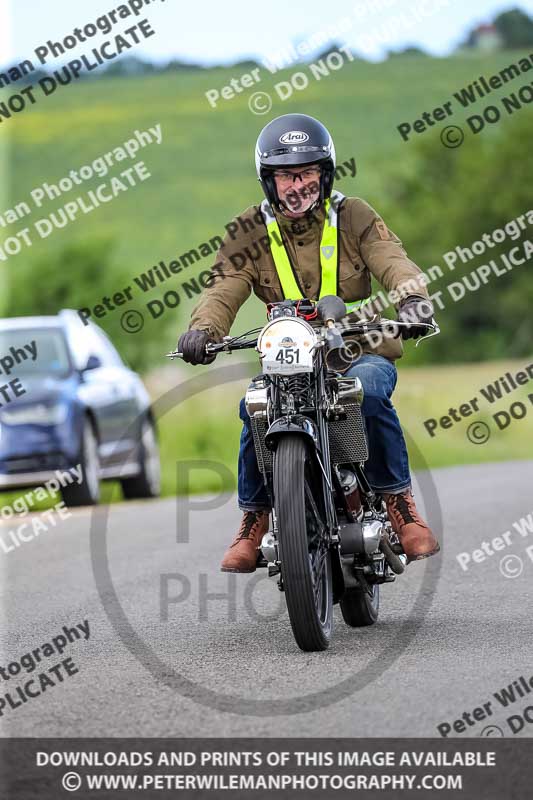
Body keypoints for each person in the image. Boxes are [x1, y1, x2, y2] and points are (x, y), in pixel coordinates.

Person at [178, 113, 440, 573]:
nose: (296, 185)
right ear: (269, 181)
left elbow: (392, 260)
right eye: (285, 176)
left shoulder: (354, 216)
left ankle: (399, 505)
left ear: (325, 174)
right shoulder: (248, 230)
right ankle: (255, 519)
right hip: (288, 358)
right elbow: (223, 287)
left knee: (367, 392)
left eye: (306, 173)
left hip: (357, 349)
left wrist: (413, 300)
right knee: (254, 406)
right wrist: (204, 330)